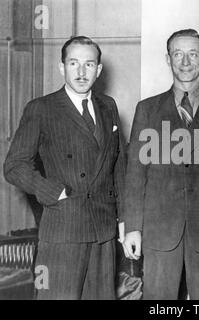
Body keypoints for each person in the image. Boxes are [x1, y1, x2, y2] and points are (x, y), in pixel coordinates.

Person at [121, 29, 199, 300]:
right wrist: (133, 226)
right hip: (159, 233)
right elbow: (135, 175)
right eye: (178, 54)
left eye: (193, 54)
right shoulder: (147, 110)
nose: (185, 61)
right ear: (168, 59)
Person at [3, 36, 126, 299]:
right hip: (62, 228)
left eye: (89, 64)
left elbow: (119, 167)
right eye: (74, 63)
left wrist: (125, 219)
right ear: (62, 67)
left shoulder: (108, 106)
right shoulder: (42, 108)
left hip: (103, 230)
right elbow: (14, 165)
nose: (81, 72)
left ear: (99, 69)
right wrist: (53, 192)